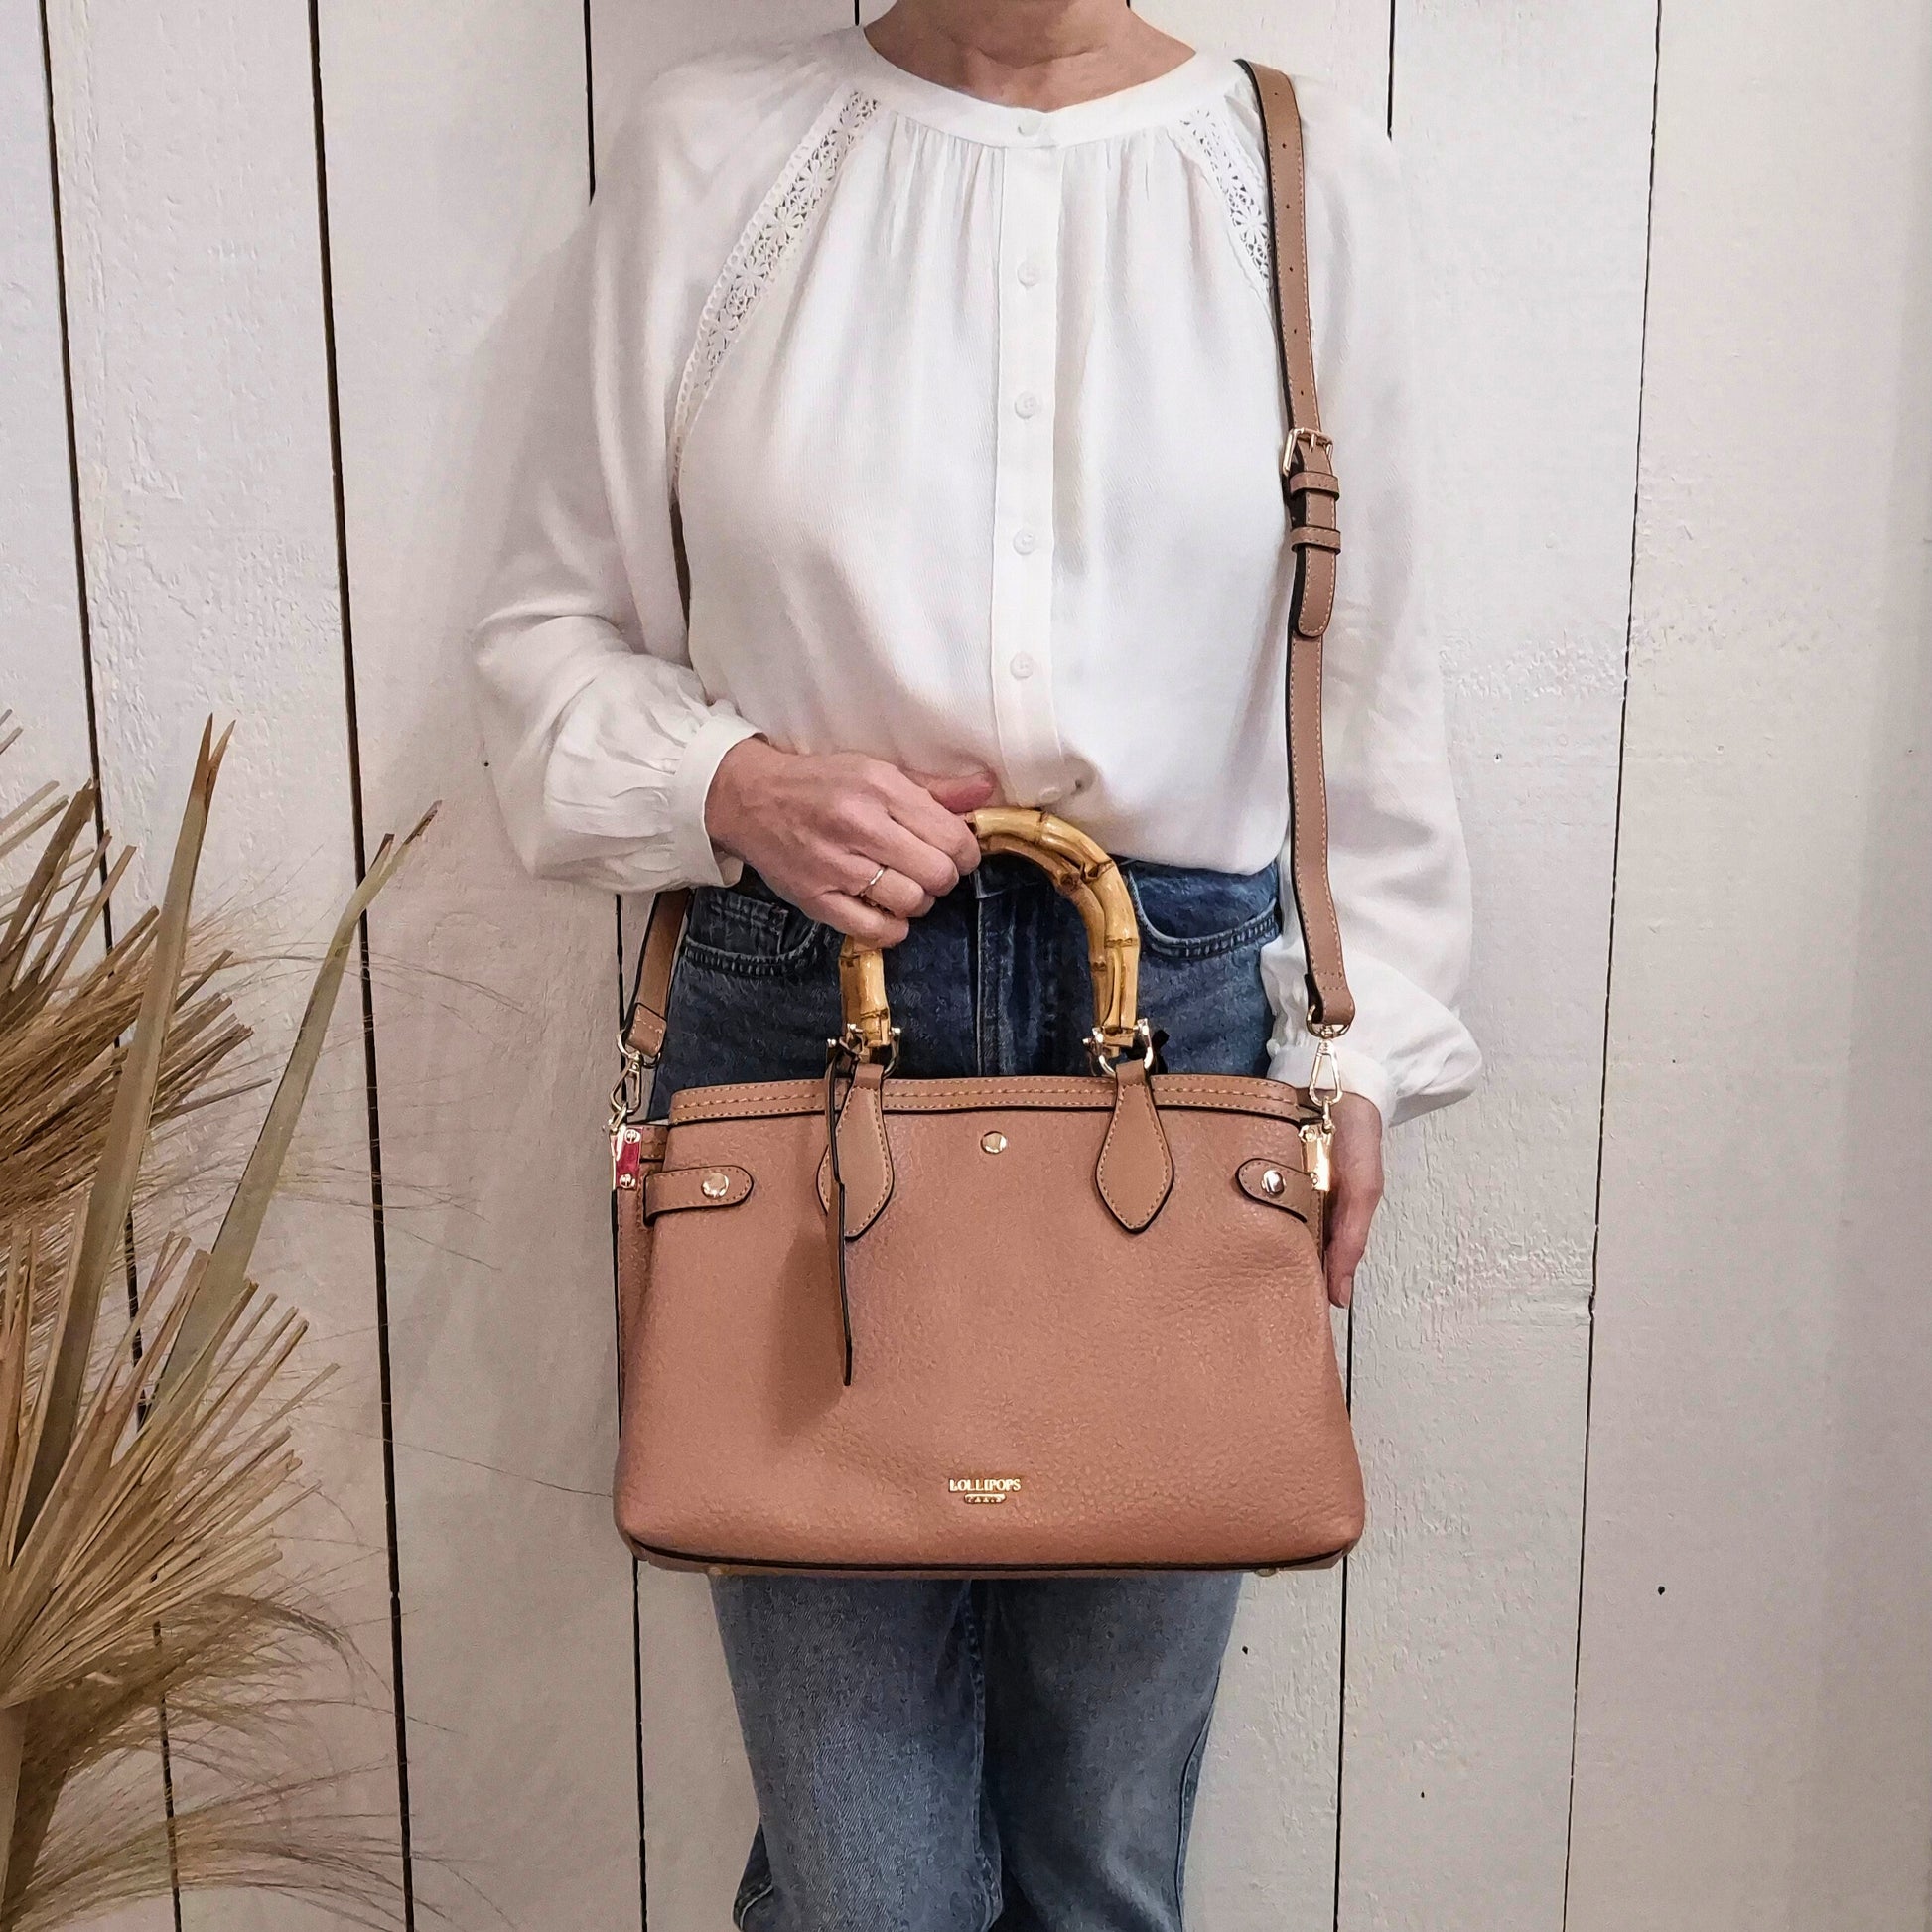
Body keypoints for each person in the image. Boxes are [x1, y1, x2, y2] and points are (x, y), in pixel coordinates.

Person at [473, 1, 1479, 1924]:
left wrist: (1361, 1046)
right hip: (800, 1018)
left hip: (1178, 1035)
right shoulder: (719, 155)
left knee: (1101, 1854)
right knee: (872, 1884)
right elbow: (547, 629)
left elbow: (1364, 677)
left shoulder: (1293, 176)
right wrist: (727, 782)